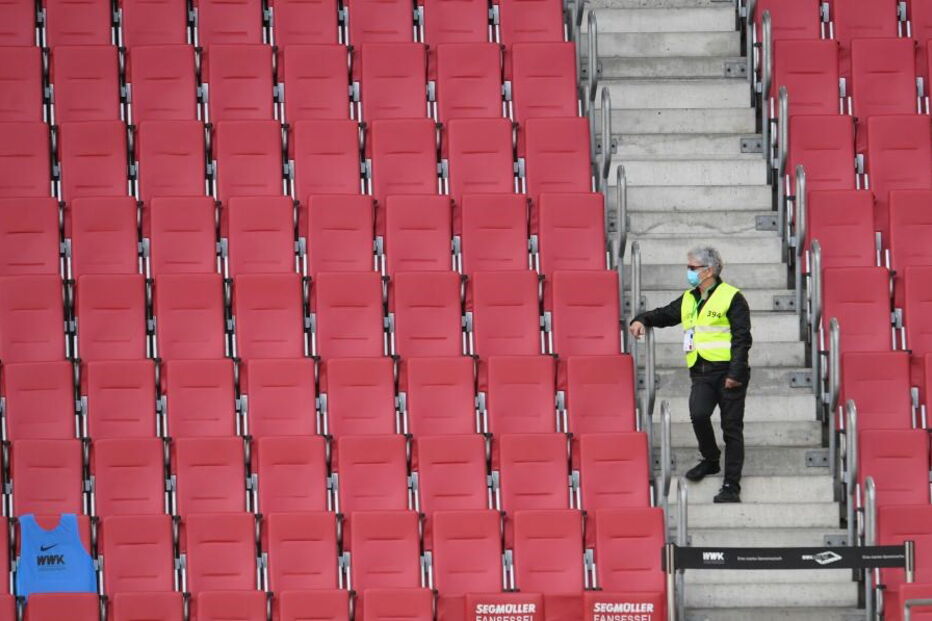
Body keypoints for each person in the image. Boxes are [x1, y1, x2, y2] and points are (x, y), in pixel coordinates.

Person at [628, 246, 752, 503]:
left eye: (692, 268)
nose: (689, 273)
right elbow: (665, 314)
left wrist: (735, 373)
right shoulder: (689, 298)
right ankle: (710, 459)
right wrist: (642, 319)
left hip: (728, 372)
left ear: (709, 270)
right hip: (702, 371)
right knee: (698, 414)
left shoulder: (732, 297)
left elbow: (742, 339)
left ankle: (731, 485)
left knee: (731, 429)